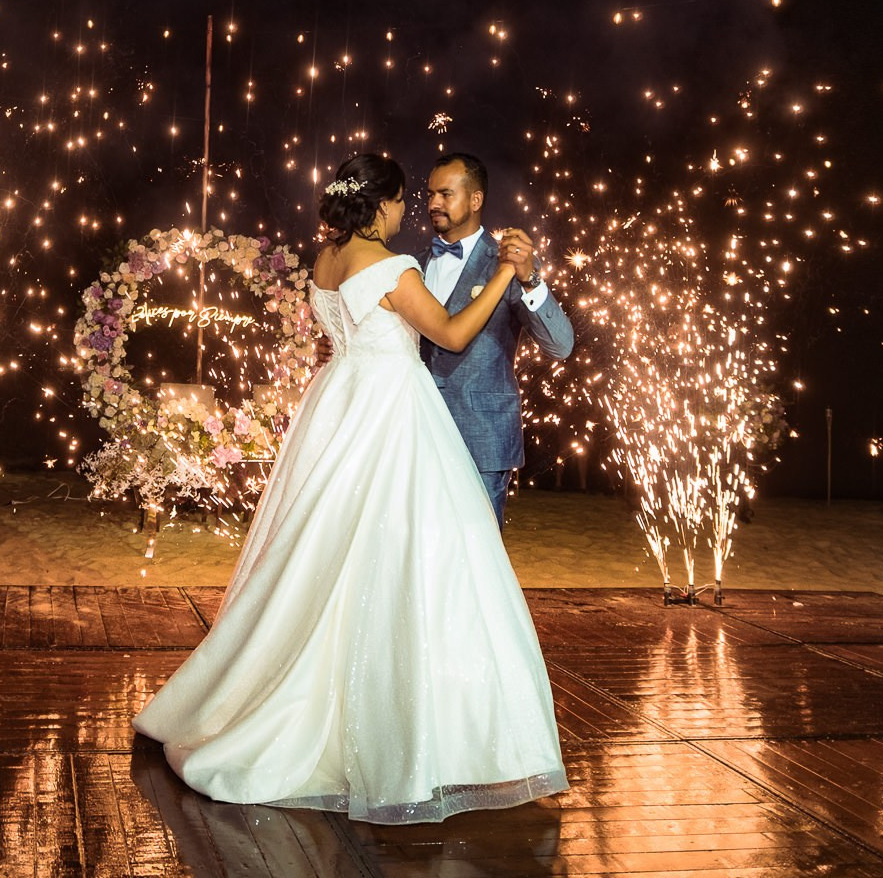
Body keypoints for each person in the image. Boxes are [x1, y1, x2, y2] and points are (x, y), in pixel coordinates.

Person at [134, 153, 568, 824]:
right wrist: (507, 272)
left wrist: (522, 278)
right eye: (404, 200)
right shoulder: (395, 267)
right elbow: (450, 332)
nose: (412, 210)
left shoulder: (326, 259)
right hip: (392, 416)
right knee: (414, 568)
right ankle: (414, 723)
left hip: (339, 406)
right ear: (380, 204)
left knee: (330, 553)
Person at [420, 152, 576, 525]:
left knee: (477, 557)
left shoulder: (508, 264)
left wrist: (529, 279)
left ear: (476, 200)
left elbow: (561, 345)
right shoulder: (415, 264)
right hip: (418, 432)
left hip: (482, 436)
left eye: (445, 194)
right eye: (430, 195)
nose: (433, 204)